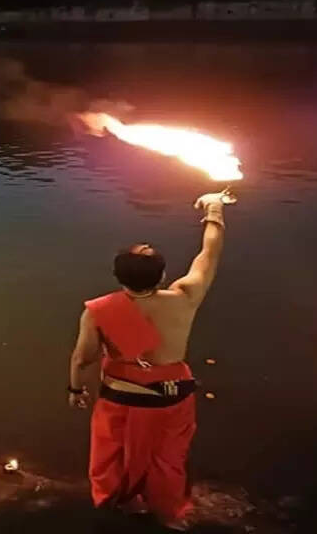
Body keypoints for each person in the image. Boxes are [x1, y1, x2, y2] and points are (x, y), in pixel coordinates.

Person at [67, 190, 234, 529]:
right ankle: (168, 513)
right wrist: (214, 209)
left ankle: (124, 501)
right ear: (162, 276)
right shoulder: (185, 298)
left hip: (121, 397)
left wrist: (75, 389)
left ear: (118, 276)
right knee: (168, 457)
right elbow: (209, 253)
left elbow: (83, 358)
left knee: (115, 452)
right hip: (171, 397)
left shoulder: (99, 311)